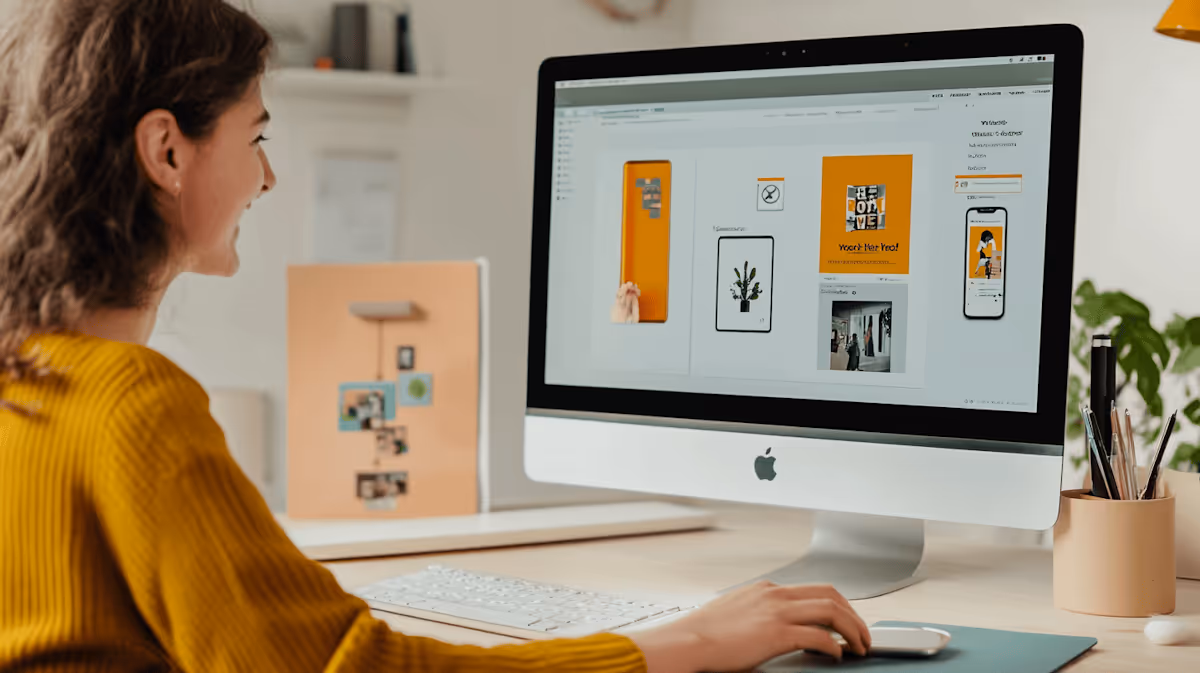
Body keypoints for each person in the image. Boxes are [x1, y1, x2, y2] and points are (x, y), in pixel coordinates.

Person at [0, 1, 870, 672]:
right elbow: (356, 667)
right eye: (256, 135)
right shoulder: (132, 408)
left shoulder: (25, 381)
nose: (267, 176)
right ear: (167, 150)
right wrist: (682, 643)